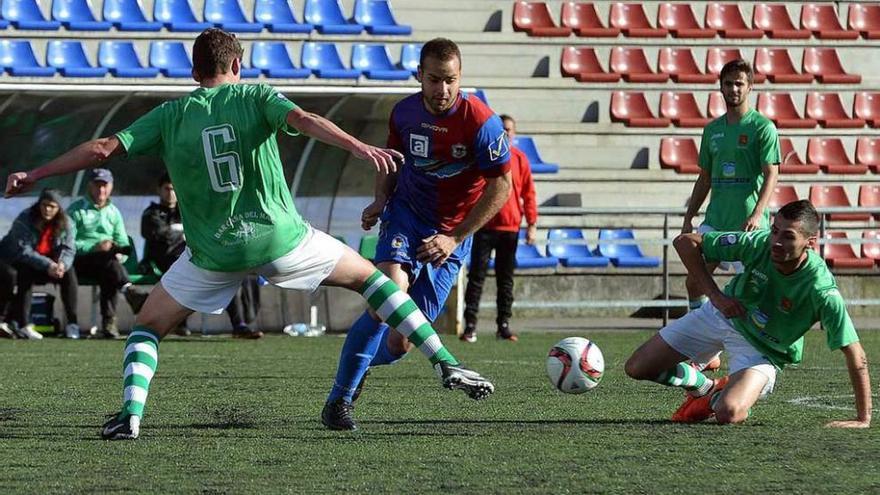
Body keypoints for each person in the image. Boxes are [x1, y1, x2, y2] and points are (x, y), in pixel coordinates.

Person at [5, 28, 494, 440]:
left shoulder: (170, 116)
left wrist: (35, 174)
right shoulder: (256, 95)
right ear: (237, 63)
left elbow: (101, 149)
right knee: (376, 284)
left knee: (148, 327)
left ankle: (131, 416)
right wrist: (356, 147)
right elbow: (304, 120)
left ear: (194, 72)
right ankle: (446, 362)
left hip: (212, 254)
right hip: (281, 242)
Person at [348, 37, 512, 402]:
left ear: (460, 77)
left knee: (402, 339)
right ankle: (347, 385)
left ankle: (359, 364)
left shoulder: (482, 123)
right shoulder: (403, 113)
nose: (443, 89)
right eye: (435, 79)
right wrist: (380, 200)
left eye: (451, 80)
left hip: (451, 232)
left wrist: (454, 237)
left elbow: (501, 187)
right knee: (389, 294)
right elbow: (393, 160)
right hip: (407, 214)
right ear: (420, 75)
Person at [625, 200, 871, 428]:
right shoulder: (759, 243)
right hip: (721, 315)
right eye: (775, 231)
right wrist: (716, 297)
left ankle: (719, 397)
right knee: (637, 368)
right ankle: (703, 386)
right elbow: (684, 242)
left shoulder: (821, 291)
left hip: (763, 349)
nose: (776, 241)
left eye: (788, 236)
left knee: (728, 413)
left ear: (810, 242)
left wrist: (863, 419)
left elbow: (854, 352)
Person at [681, 59, 780, 312]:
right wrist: (690, 215)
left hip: (748, 224)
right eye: (728, 84)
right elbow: (705, 178)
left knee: (757, 288)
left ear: (750, 88)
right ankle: (703, 348)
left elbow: (772, 173)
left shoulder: (763, 128)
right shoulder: (712, 129)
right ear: (721, 87)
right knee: (693, 282)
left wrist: (757, 214)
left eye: (739, 84)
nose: (733, 89)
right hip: (716, 220)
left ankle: (759, 343)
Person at [141, 173, 261, 338]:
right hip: (165, 259)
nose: (170, 193)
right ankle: (178, 324)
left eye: (174, 189)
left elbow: (205, 231)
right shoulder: (151, 213)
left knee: (224, 272)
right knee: (197, 274)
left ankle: (240, 325)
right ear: (159, 191)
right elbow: (159, 235)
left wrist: (180, 232)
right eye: (167, 189)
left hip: (191, 256)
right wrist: (183, 232)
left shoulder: (187, 211)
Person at [461, 114, 537, 343]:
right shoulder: (485, 156)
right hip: (484, 226)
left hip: (510, 228)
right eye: (502, 129)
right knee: (476, 277)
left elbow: (528, 193)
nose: (506, 133)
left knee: (506, 280)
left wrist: (532, 224)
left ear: (514, 133)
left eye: (509, 130)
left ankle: (503, 325)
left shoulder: (520, 158)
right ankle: (470, 326)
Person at [68, 168, 149, 338]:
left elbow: (123, 242)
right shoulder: (76, 210)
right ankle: (126, 296)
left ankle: (109, 324)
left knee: (110, 269)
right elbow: (67, 242)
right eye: (97, 185)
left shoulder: (113, 212)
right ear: (90, 186)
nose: (101, 190)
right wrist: (94, 247)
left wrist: (121, 254)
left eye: (104, 186)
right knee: (109, 264)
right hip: (79, 261)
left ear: (111, 187)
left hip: (106, 262)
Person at [0, 188, 79, 339]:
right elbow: (23, 250)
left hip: (48, 265)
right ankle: (24, 324)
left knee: (69, 273)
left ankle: (72, 324)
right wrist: (48, 265)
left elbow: (69, 248)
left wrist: (62, 264)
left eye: (52, 206)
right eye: (44, 205)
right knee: (23, 274)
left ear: (59, 208)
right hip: (17, 261)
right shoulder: (25, 218)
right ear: (39, 204)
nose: (47, 209)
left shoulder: (67, 223)